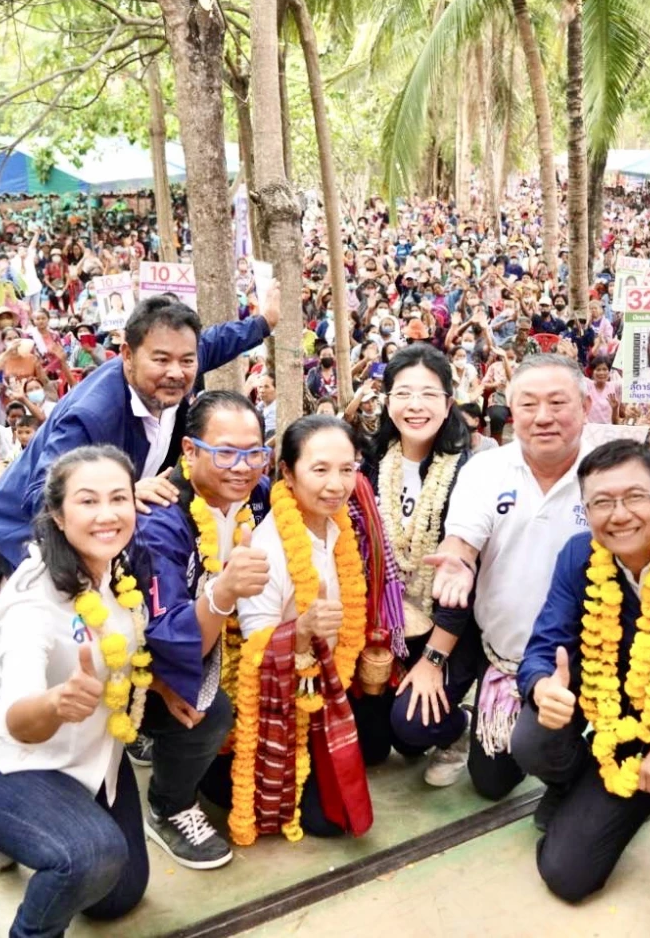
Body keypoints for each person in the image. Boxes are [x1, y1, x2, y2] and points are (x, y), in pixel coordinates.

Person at [512, 440, 650, 903]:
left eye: (634, 496)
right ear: (585, 509)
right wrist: (542, 685)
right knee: (566, 873)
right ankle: (576, 786)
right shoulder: (580, 555)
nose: (620, 514)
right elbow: (544, 645)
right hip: (619, 728)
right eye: (602, 502)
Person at [0, 445, 150, 934]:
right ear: (58, 515)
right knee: (90, 857)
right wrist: (57, 703)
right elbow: (19, 717)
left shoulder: (116, 572)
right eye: (88, 501)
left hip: (90, 760)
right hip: (6, 765)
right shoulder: (30, 600)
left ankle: (20, 838)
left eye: (119, 498)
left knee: (115, 896)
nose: (107, 515)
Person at [0, 294, 276, 574]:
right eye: (161, 360)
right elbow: (42, 498)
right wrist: (121, 495)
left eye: (187, 361)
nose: (175, 372)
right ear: (128, 355)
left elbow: (213, 344)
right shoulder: (91, 417)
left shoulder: (172, 370)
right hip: (25, 529)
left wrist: (262, 323)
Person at [424, 354, 599, 800]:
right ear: (512, 409)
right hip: (503, 656)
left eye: (557, 403)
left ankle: (587, 777)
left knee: (554, 754)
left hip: (588, 658)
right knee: (491, 782)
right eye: (528, 404)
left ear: (584, 405)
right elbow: (461, 541)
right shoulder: (485, 469)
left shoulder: (608, 469)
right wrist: (458, 566)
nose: (543, 417)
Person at [129, 390, 273, 868]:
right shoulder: (160, 520)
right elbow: (167, 641)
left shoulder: (257, 494)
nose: (243, 466)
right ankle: (169, 806)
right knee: (206, 708)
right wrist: (224, 591)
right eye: (225, 452)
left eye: (254, 452)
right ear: (189, 451)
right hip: (136, 666)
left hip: (215, 649)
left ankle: (160, 742)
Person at [227, 415, 374, 843]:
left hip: (330, 684)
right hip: (282, 701)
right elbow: (257, 652)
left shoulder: (342, 525)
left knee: (382, 739)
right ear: (287, 473)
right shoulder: (267, 547)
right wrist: (302, 631)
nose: (336, 484)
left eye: (347, 470)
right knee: (326, 820)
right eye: (320, 469)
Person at [362, 344, 477, 783]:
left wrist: (431, 660)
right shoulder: (369, 467)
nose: (415, 406)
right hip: (387, 622)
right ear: (387, 400)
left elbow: (464, 575)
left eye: (429, 394)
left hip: (448, 625)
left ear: (448, 403)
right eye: (403, 393)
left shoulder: (469, 474)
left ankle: (456, 731)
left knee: (411, 731)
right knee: (371, 748)